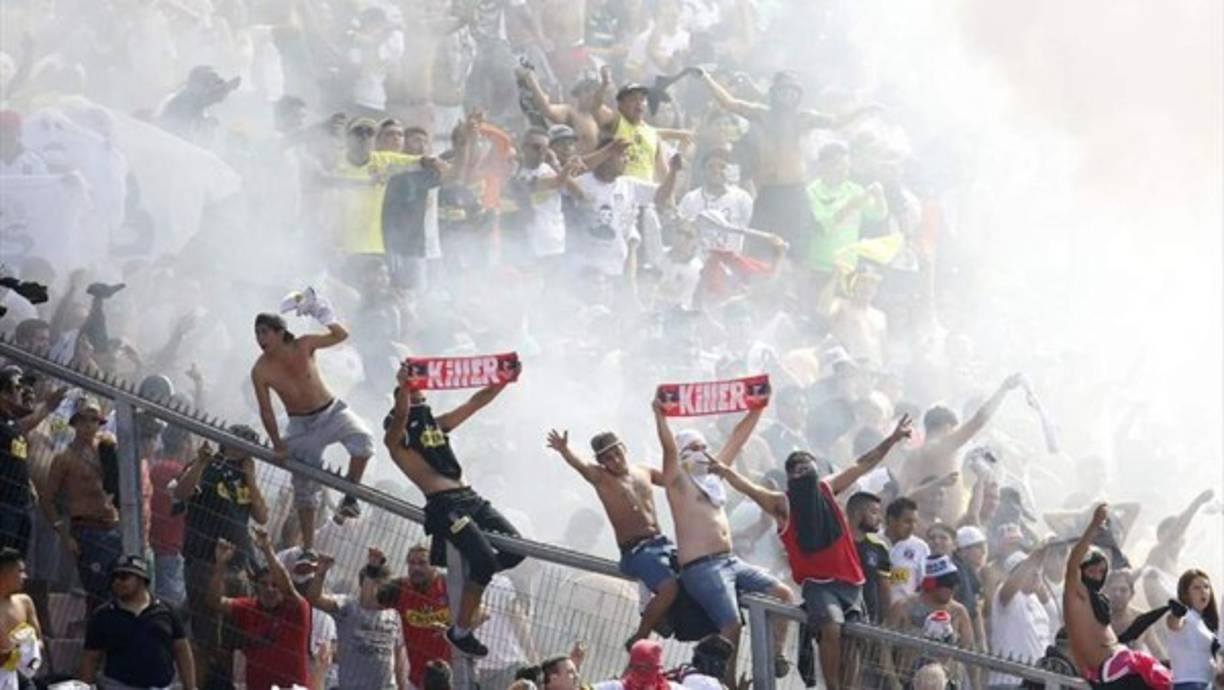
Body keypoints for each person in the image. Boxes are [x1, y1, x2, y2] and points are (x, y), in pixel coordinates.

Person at [712, 415, 912, 690]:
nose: (804, 472)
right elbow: (748, 487)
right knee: (831, 626)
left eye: (808, 467)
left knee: (853, 639)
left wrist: (892, 439)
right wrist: (724, 470)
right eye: (797, 469)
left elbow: (863, 464)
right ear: (790, 477)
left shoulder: (827, 488)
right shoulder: (782, 505)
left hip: (851, 583)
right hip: (819, 586)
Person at [382, 362, 525, 657]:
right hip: (445, 505)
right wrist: (404, 389)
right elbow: (401, 418)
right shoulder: (397, 441)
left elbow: (475, 402)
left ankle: (474, 573)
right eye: (414, 397)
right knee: (484, 562)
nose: (421, 401)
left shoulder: (436, 426)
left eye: (422, 397)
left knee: (516, 549)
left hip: (471, 498)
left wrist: (503, 379)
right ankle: (460, 631)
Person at [652, 399, 793, 680]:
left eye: (704, 447)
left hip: (730, 561)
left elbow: (737, 439)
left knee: (784, 595)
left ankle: (775, 657)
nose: (702, 453)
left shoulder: (714, 476)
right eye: (694, 448)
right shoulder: (678, 483)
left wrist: (757, 409)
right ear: (682, 454)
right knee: (731, 625)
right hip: (702, 567)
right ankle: (725, 683)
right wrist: (661, 417)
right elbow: (669, 450)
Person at [697, 70, 876, 254]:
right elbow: (730, 103)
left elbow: (836, 122)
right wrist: (705, 78)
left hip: (794, 193)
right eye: (783, 91)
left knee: (794, 248)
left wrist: (863, 110)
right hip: (768, 192)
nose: (787, 97)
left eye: (792, 92)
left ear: (798, 96)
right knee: (758, 245)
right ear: (775, 93)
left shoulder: (803, 118)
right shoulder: (762, 114)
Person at [251, 305, 375, 550]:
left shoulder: (304, 344)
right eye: (257, 333)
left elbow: (340, 335)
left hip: (331, 413)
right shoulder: (260, 370)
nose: (260, 339)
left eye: (265, 332)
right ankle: (308, 549)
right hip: (300, 426)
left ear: (280, 332)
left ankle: (350, 497)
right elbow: (266, 410)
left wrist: (322, 313)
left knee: (363, 441)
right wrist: (277, 444)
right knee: (304, 490)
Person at [545, 424, 677, 649]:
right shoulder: (602, 478)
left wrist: (691, 464)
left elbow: (672, 480)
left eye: (617, 453)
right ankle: (641, 635)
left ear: (624, 449)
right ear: (601, 462)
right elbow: (582, 465)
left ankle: (663, 617)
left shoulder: (643, 471)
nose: (615, 460)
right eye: (608, 458)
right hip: (635, 550)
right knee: (669, 586)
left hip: (661, 544)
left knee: (691, 572)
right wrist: (565, 450)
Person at [172, 426, 269, 688]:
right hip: (205, 560)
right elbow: (180, 493)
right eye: (240, 441)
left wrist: (251, 478)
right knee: (204, 639)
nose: (243, 448)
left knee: (231, 640)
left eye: (249, 445)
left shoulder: (246, 475)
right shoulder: (208, 464)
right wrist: (201, 462)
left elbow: (262, 516)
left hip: (238, 567)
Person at [1064, 504, 1171, 690]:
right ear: (1082, 571)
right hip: (1111, 670)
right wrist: (1094, 525)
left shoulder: (1096, 599)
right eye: (1092, 571)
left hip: (1120, 664)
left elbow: (1157, 651)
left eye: (1101, 572)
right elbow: (1073, 563)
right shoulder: (1076, 593)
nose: (1097, 576)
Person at [900, 374, 1025, 524]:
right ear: (947, 427)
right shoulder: (940, 447)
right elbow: (979, 420)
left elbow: (901, 492)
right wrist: (1003, 389)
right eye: (954, 430)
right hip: (942, 527)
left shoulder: (911, 457)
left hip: (927, 525)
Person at [40, 400, 122, 610]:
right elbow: (47, 499)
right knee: (97, 593)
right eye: (84, 419)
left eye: (94, 420)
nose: (89, 424)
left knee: (118, 589)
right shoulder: (65, 458)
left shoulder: (106, 448)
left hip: (113, 527)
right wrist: (65, 535)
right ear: (75, 422)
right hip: (87, 529)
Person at [208, 531, 311, 690]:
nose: (270, 589)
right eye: (264, 584)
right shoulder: (248, 607)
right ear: (256, 587)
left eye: (275, 585)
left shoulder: (297, 610)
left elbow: (287, 588)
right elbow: (215, 601)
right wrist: (220, 564)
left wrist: (268, 550)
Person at [79, 555, 196, 690]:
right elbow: (90, 658)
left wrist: (190, 687)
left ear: (141, 579)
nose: (117, 582)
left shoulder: (167, 611)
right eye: (113, 577)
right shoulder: (103, 615)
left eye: (124, 577)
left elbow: (182, 650)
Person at [308, 549, 407, 690]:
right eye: (377, 584)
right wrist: (321, 572)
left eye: (384, 585)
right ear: (363, 584)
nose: (382, 591)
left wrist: (402, 686)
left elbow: (399, 656)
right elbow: (315, 599)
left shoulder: (393, 614)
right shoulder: (348, 606)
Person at [883, 554, 975, 689]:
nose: (953, 588)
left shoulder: (959, 612)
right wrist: (893, 682)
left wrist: (976, 686)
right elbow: (883, 648)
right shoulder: (903, 607)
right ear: (930, 584)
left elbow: (971, 655)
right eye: (947, 584)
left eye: (954, 584)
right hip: (908, 683)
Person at [0, 367, 65, 557]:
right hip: (5, 506)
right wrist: (47, 407)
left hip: (21, 505)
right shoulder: (6, 425)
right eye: (18, 387)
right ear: (3, 394)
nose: (23, 392)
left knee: (16, 562)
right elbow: (18, 427)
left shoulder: (12, 421)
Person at [988, 548, 1056, 689]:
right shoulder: (1007, 597)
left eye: (1037, 569)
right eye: (1030, 570)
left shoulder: (1039, 603)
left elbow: (1054, 613)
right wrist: (1031, 560)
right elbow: (1009, 588)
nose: (1036, 573)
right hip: (1009, 682)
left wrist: (1043, 552)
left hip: (1037, 682)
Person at [391, 544, 451, 690]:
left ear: (435, 564)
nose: (416, 568)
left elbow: (480, 612)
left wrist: (452, 631)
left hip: (446, 678)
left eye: (422, 563)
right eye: (411, 563)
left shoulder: (448, 585)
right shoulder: (400, 588)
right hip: (412, 679)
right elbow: (371, 602)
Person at [1165, 569, 1220, 690]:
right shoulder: (1185, 616)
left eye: (1206, 587)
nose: (1203, 591)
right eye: (1196, 588)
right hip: (1187, 684)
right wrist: (1177, 613)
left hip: (1208, 684)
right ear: (1186, 594)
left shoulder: (1205, 623)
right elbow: (1174, 624)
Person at [0, 547, 42, 690]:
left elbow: (39, 641)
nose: (25, 576)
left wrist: (27, 646)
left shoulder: (25, 602)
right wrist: (10, 654)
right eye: (20, 571)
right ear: (5, 574)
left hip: (20, 676)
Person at [846, 492, 892, 624]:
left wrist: (885, 622)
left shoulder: (879, 547)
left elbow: (884, 590)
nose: (880, 519)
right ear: (857, 514)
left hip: (868, 622)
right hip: (838, 616)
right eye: (874, 513)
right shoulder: (836, 541)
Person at [1107, 569, 1168, 660]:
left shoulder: (1141, 619)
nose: (1117, 594)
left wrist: (1168, 667)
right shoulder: (1097, 618)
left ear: (1132, 594)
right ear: (1106, 592)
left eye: (1123, 590)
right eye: (1113, 589)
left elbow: (1157, 652)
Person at [884, 496, 929, 603]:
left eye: (915, 522)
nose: (912, 527)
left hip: (903, 610)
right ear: (892, 520)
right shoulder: (873, 540)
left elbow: (925, 586)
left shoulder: (920, 547)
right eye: (907, 522)